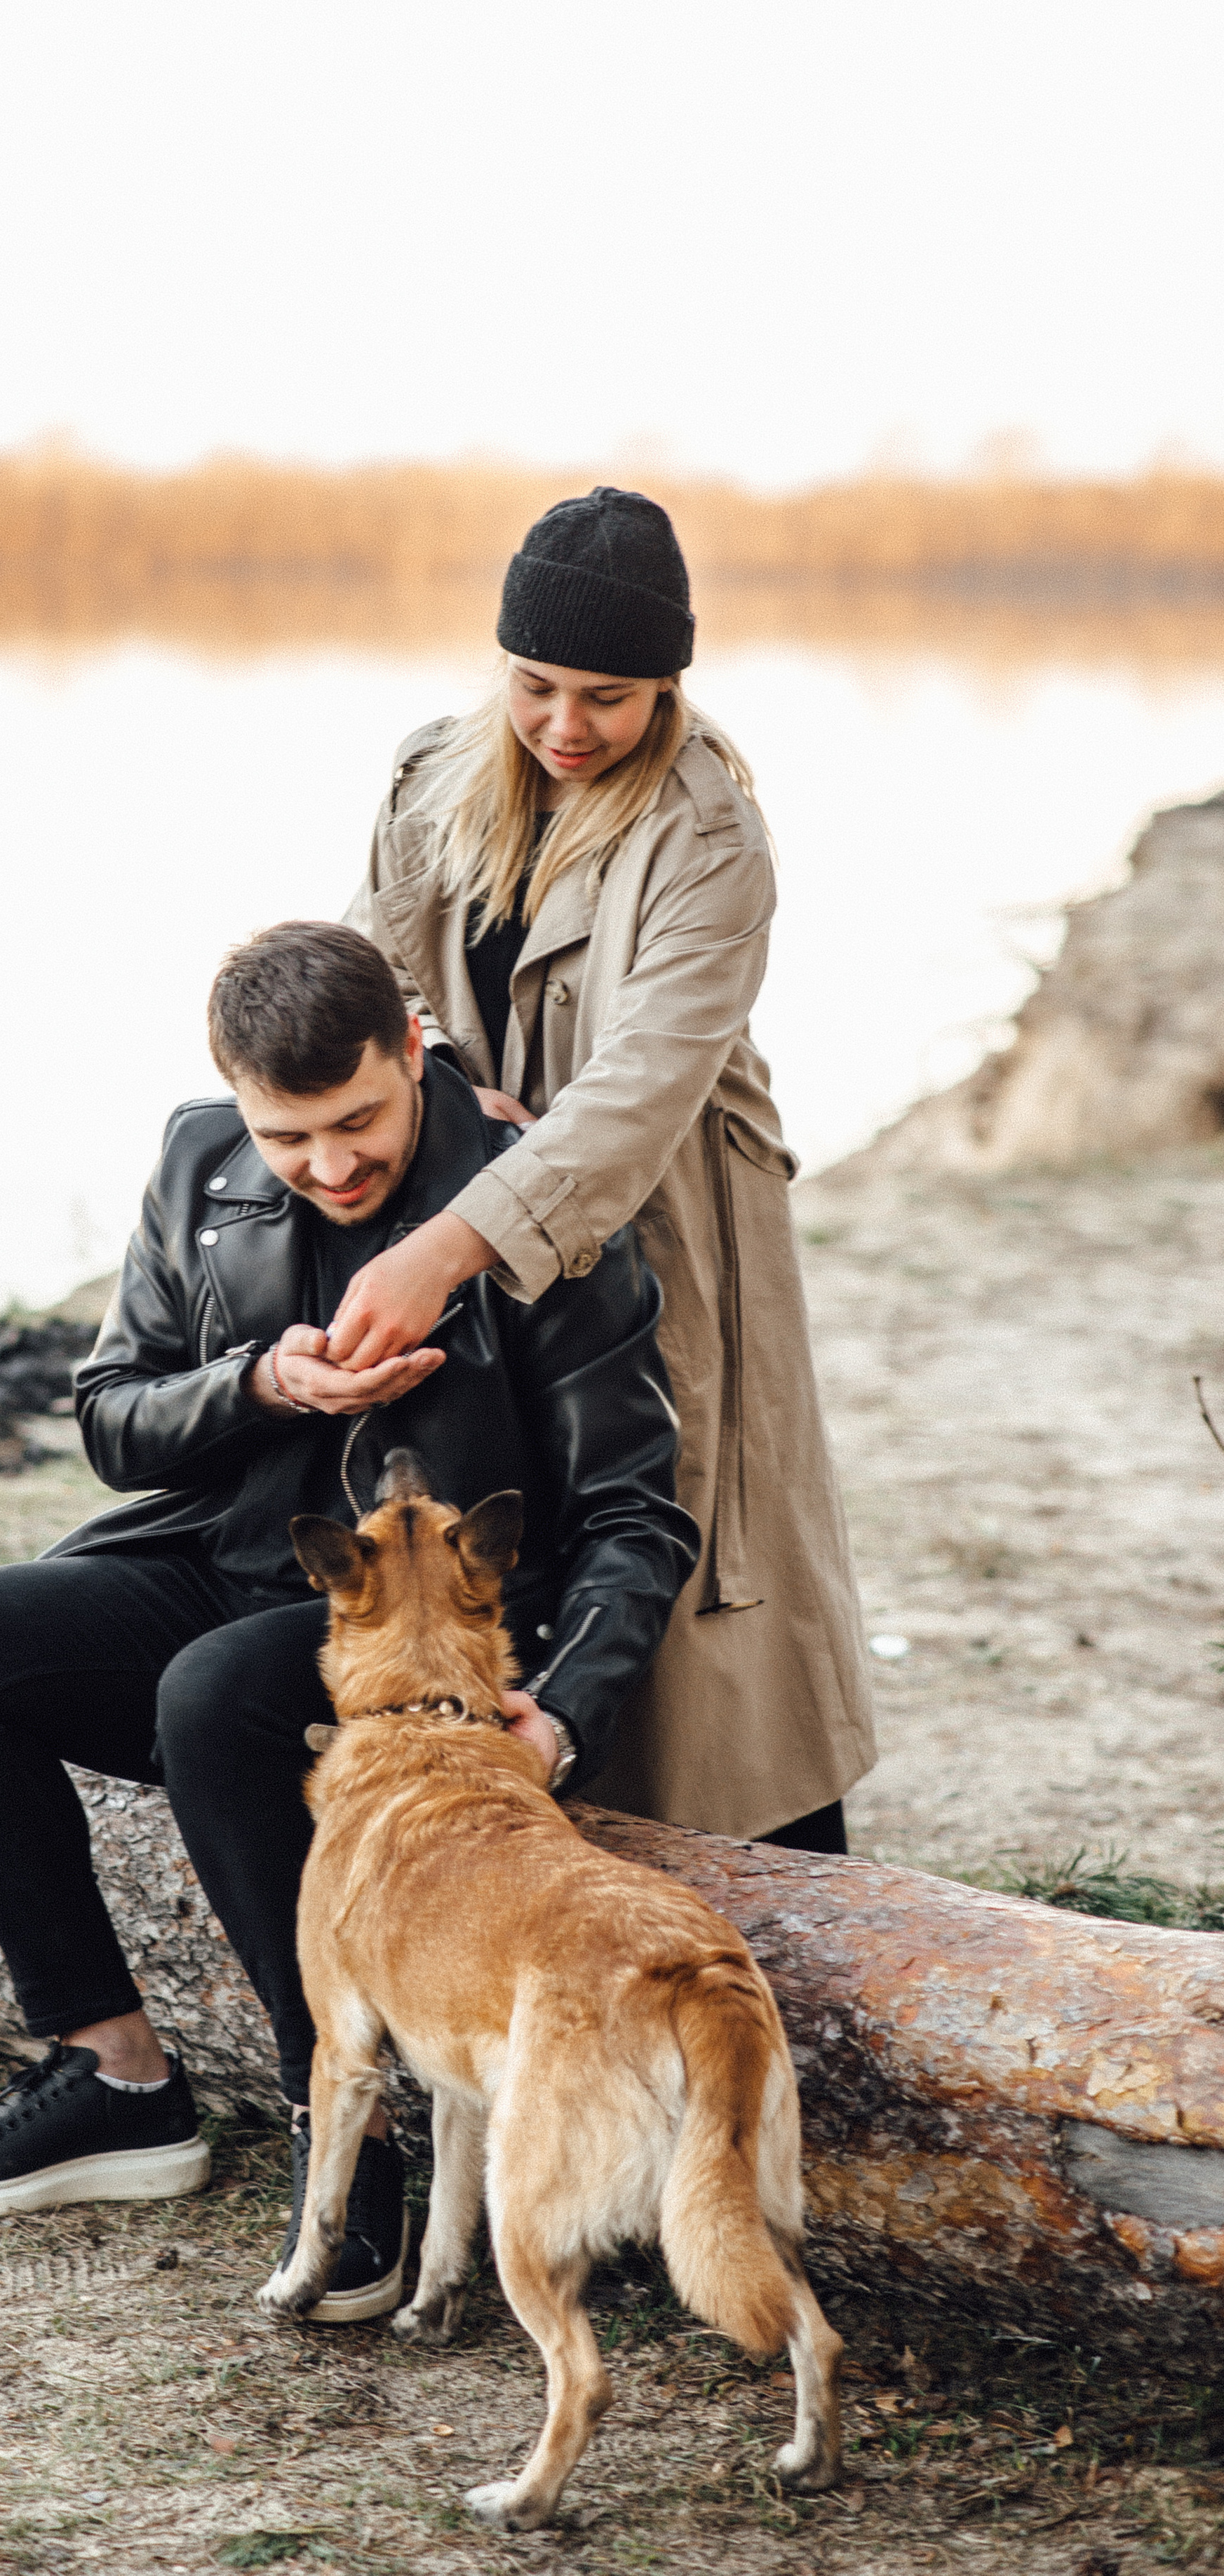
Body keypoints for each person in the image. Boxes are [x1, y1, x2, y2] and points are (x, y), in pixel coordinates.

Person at [0, 919, 699, 2319]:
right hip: (225, 1558)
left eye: (357, 1121)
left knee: (214, 1695)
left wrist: (564, 1711)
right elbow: (111, 1421)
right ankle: (113, 2073)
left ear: (414, 1053)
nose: (325, 1166)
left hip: (426, 1644)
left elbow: (634, 1513)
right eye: (285, 1136)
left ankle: (353, 2124)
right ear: (236, 1104)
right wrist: (256, 1386)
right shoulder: (196, 1160)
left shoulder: (530, 1199)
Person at [344, 487, 876, 1847]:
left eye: (611, 696)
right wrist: (455, 1098)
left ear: (666, 689)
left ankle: (796, 1911)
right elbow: (376, 985)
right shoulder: (426, 780)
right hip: (477, 1196)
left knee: (708, 1580)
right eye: (535, 686)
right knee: (516, 1506)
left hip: (669, 1218)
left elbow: (640, 1090)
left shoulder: (709, 836)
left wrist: (444, 1240)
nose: (567, 727)